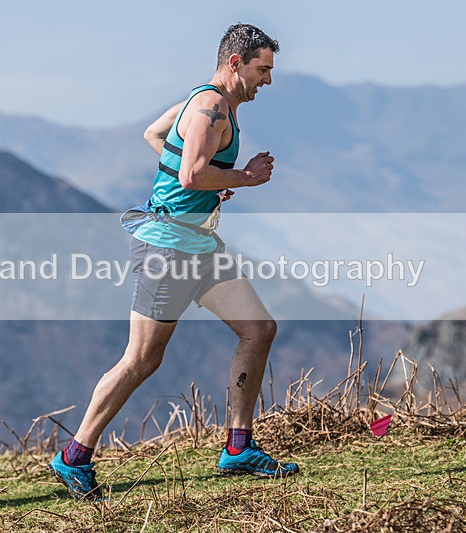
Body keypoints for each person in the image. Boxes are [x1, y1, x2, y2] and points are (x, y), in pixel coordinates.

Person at [49, 23, 298, 501]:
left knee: (259, 329)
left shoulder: (209, 103)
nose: (268, 79)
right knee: (141, 359)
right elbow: (190, 175)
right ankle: (73, 457)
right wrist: (242, 177)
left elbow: (156, 134)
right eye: (263, 69)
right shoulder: (210, 108)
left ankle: (238, 447)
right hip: (167, 249)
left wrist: (213, 179)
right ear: (235, 63)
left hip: (199, 246)